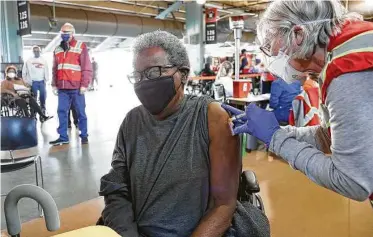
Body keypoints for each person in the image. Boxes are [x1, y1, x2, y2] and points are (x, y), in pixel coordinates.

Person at [98, 31, 269, 237]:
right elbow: (116, 188)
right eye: (137, 75)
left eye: (153, 72)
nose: (143, 82)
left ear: (184, 74)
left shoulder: (213, 118)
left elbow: (223, 206)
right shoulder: (131, 122)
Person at [223, 0, 373, 202]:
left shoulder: (348, 68)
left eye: (271, 46)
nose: (272, 57)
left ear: (298, 35)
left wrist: (276, 138)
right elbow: (333, 136)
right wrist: (279, 131)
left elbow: (353, 182)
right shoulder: (352, 45)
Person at [49, 23, 92, 146]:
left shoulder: (80, 46)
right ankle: (63, 136)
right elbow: (54, 69)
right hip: (62, 88)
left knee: (80, 112)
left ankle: (84, 135)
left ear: (73, 33)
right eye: (63, 33)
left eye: (67, 32)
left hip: (76, 87)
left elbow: (86, 67)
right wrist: (53, 84)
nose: (65, 35)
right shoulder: (57, 49)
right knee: (61, 111)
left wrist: (84, 84)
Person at [22, 45, 49, 113]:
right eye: (35, 51)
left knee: (43, 95)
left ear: (40, 51)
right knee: (34, 96)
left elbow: (46, 70)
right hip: (33, 82)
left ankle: (43, 107)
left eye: (38, 51)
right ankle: (34, 109)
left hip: (41, 81)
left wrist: (46, 79)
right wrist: (25, 81)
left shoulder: (43, 60)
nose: (36, 52)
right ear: (33, 52)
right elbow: (24, 71)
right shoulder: (29, 60)